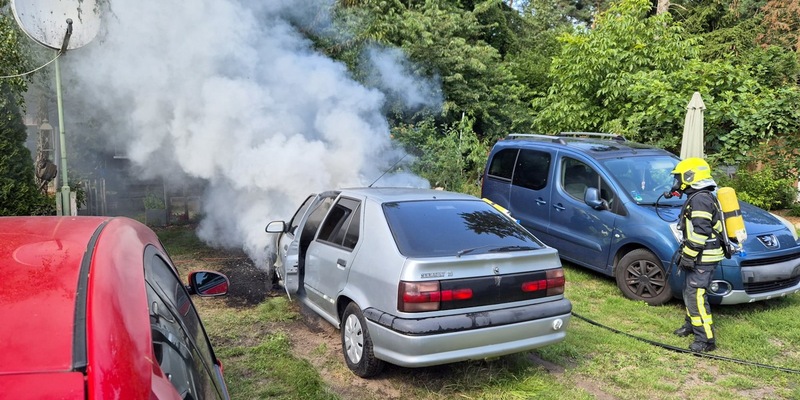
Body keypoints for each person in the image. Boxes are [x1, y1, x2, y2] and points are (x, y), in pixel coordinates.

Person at [668, 157, 725, 353]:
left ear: (690, 176)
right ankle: (691, 325)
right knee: (689, 292)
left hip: (704, 257)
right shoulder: (699, 196)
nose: (676, 182)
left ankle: (706, 340)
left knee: (696, 296)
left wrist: (688, 256)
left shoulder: (700, 199)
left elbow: (701, 233)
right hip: (701, 255)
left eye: (678, 178)